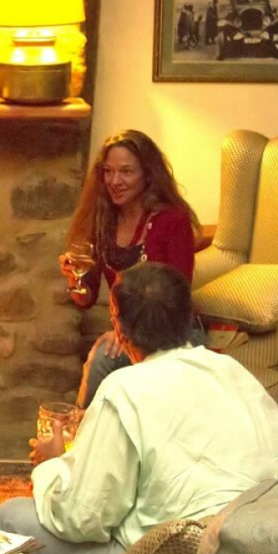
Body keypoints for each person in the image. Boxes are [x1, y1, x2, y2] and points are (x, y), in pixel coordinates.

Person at [0, 262, 278, 554]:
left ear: (120, 330)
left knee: (10, 517)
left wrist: (52, 466)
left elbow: (82, 518)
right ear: (188, 316)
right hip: (267, 552)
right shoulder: (236, 373)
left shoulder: (124, 389)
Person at [61, 129, 201, 408]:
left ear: (148, 174)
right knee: (104, 356)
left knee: (102, 358)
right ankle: (87, 429)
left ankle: (81, 431)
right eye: (108, 171)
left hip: (174, 330)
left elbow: (177, 297)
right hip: (127, 331)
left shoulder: (173, 220)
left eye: (126, 171)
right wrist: (75, 278)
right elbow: (85, 299)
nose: (115, 181)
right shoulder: (103, 220)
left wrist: (125, 335)